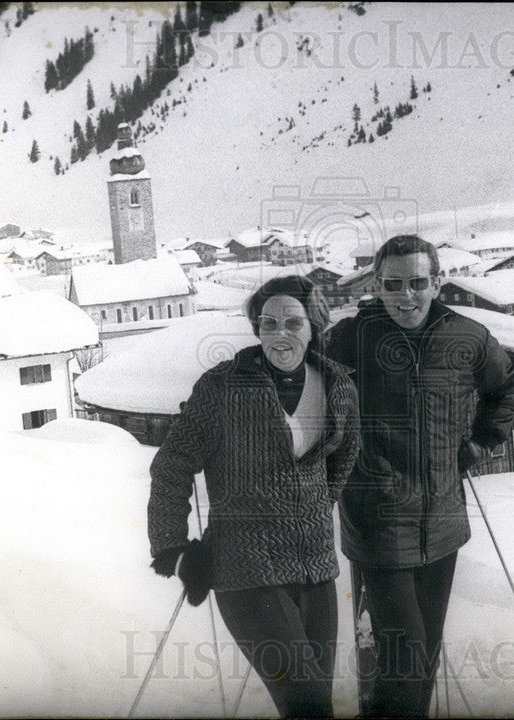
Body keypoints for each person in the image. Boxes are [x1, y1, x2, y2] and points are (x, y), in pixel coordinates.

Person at [325, 234, 514, 717]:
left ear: (437, 282)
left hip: (442, 522)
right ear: (376, 285)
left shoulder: (467, 337)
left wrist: (478, 445)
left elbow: (508, 389)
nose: (405, 296)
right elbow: (296, 385)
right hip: (378, 521)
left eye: (417, 283)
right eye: (393, 285)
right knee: (403, 659)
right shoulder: (349, 338)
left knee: (422, 657)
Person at [148, 276, 360, 718]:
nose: (279, 335)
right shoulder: (223, 387)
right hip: (247, 570)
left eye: (292, 323)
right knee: (309, 707)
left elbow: (343, 455)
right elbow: (172, 465)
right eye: (268, 324)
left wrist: (315, 507)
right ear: (256, 328)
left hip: (317, 569)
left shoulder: (338, 384)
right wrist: (173, 549)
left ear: (313, 325)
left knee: (316, 703)